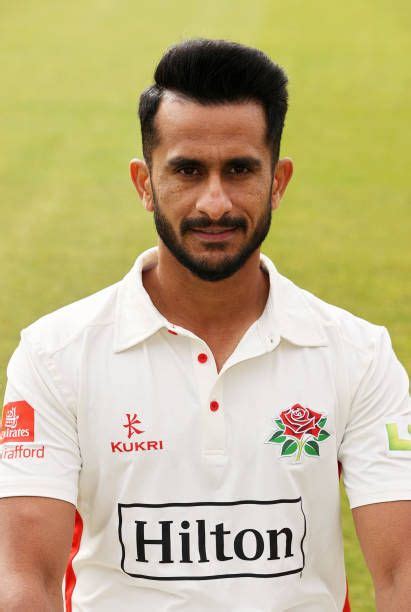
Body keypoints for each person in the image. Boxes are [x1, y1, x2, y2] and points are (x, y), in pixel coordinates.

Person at [0, 38, 410, 612]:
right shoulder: (54, 355)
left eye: (239, 170)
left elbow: (401, 577)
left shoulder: (359, 355)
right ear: (145, 184)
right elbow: (24, 584)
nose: (214, 203)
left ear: (278, 181)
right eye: (187, 171)